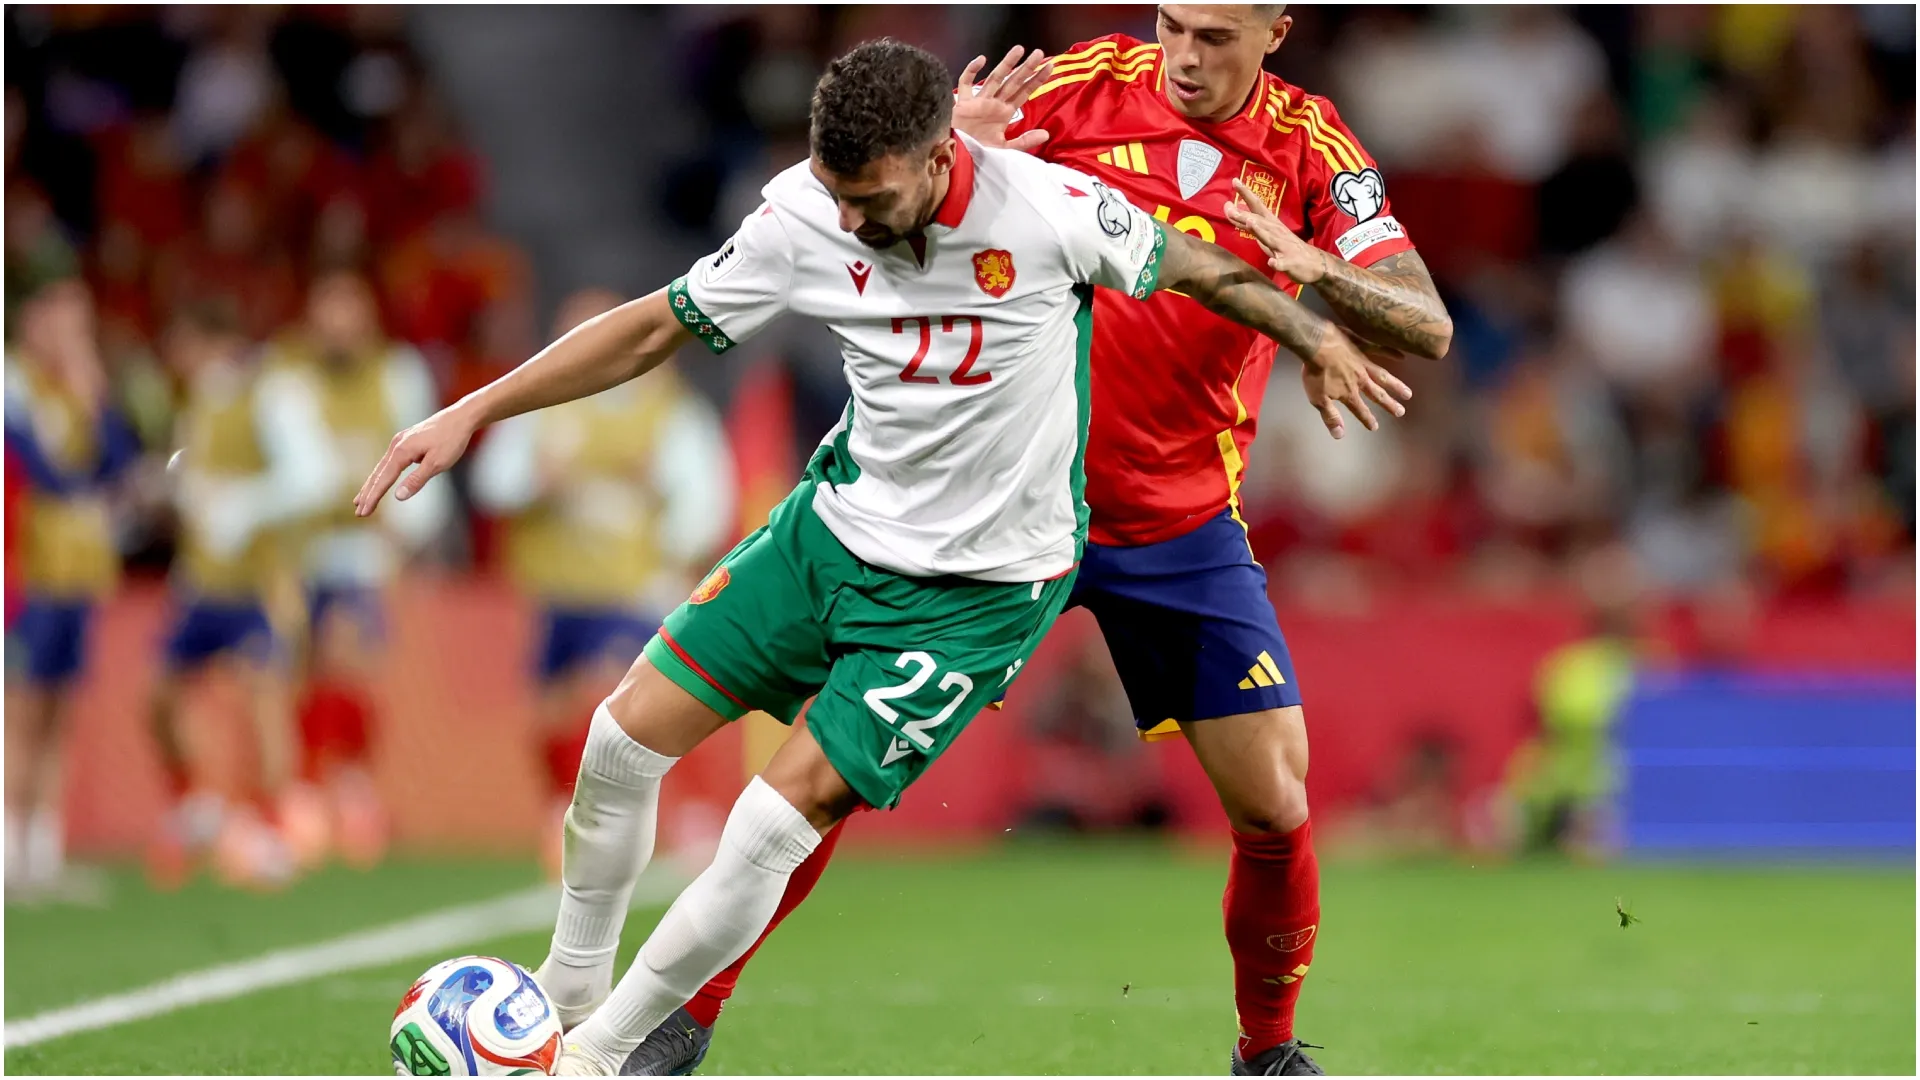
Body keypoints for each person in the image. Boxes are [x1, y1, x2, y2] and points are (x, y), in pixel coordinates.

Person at [352, 39, 1404, 1077]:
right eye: (838, 195)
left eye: (874, 198)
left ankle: (593, 1063)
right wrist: (477, 409)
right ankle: (568, 996)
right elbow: (654, 327)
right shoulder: (809, 210)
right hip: (836, 531)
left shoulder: (1043, 210)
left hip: (978, 587)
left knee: (776, 816)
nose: (851, 221)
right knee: (618, 747)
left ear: (942, 158)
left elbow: (1206, 269)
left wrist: (1318, 334)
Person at [629, 7, 1455, 1077]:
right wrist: (960, 134)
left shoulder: (1311, 147)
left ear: (1277, 31)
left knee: (1276, 803)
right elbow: (920, 177)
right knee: (830, 768)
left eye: (1215, 35)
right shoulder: (1081, 87)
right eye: (1171, 25)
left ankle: (1268, 1053)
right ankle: (681, 1018)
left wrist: (1308, 262)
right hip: (1005, 504)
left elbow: (1423, 321)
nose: (1185, 57)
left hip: (1178, 522)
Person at [471, 287, 735, 877]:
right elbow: (493, 484)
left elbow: (706, 504)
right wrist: (538, 482)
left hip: (631, 590)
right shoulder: (544, 407)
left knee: (611, 703)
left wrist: (670, 536)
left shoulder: (670, 411)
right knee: (552, 714)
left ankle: (665, 815)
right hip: (557, 590)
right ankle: (560, 811)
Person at [263, 269, 454, 868]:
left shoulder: (397, 374)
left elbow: (425, 445)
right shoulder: (285, 379)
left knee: (345, 656)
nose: (339, 325)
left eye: (350, 310)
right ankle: (308, 788)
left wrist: (411, 529)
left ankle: (347, 786)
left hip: (363, 551)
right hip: (299, 551)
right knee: (296, 673)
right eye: (329, 311)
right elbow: (289, 468)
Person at [145, 299, 338, 889]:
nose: (174, 359)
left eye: (182, 345)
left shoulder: (269, 394)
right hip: (202, 584)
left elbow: (316, 475)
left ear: (213, 340)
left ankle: (274, 828)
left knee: (264, 705)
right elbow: (199, 485)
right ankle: (197, 806)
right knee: (157, 699)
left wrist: (248, 507)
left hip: (261, 583)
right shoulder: (199, 403)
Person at [2, 277, 140, 898]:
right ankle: (8, 845)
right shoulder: (14, 386)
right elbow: (51, 475)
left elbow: (116, 464)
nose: (71, 337)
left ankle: (42, 849)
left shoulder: (77, 390)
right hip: (26, 571)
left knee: (59, 710)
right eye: (62, 322)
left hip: (78, 571)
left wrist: (96, 401)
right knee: (21, 708)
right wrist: (85, 405)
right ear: (34, 322)